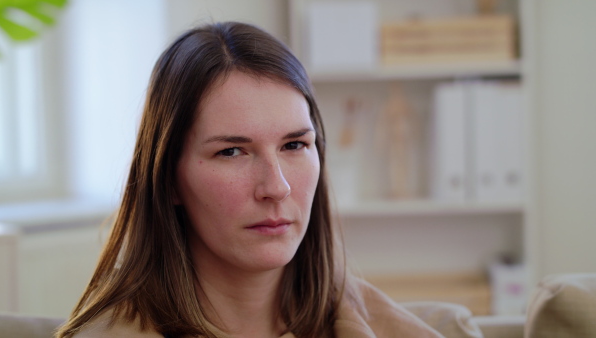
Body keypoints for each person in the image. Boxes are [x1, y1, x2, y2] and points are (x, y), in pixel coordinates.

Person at [56, 21, 443, 338]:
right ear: (169, 179)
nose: (276, 187)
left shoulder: (373, 321)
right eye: (231, 152)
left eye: (294, 145)